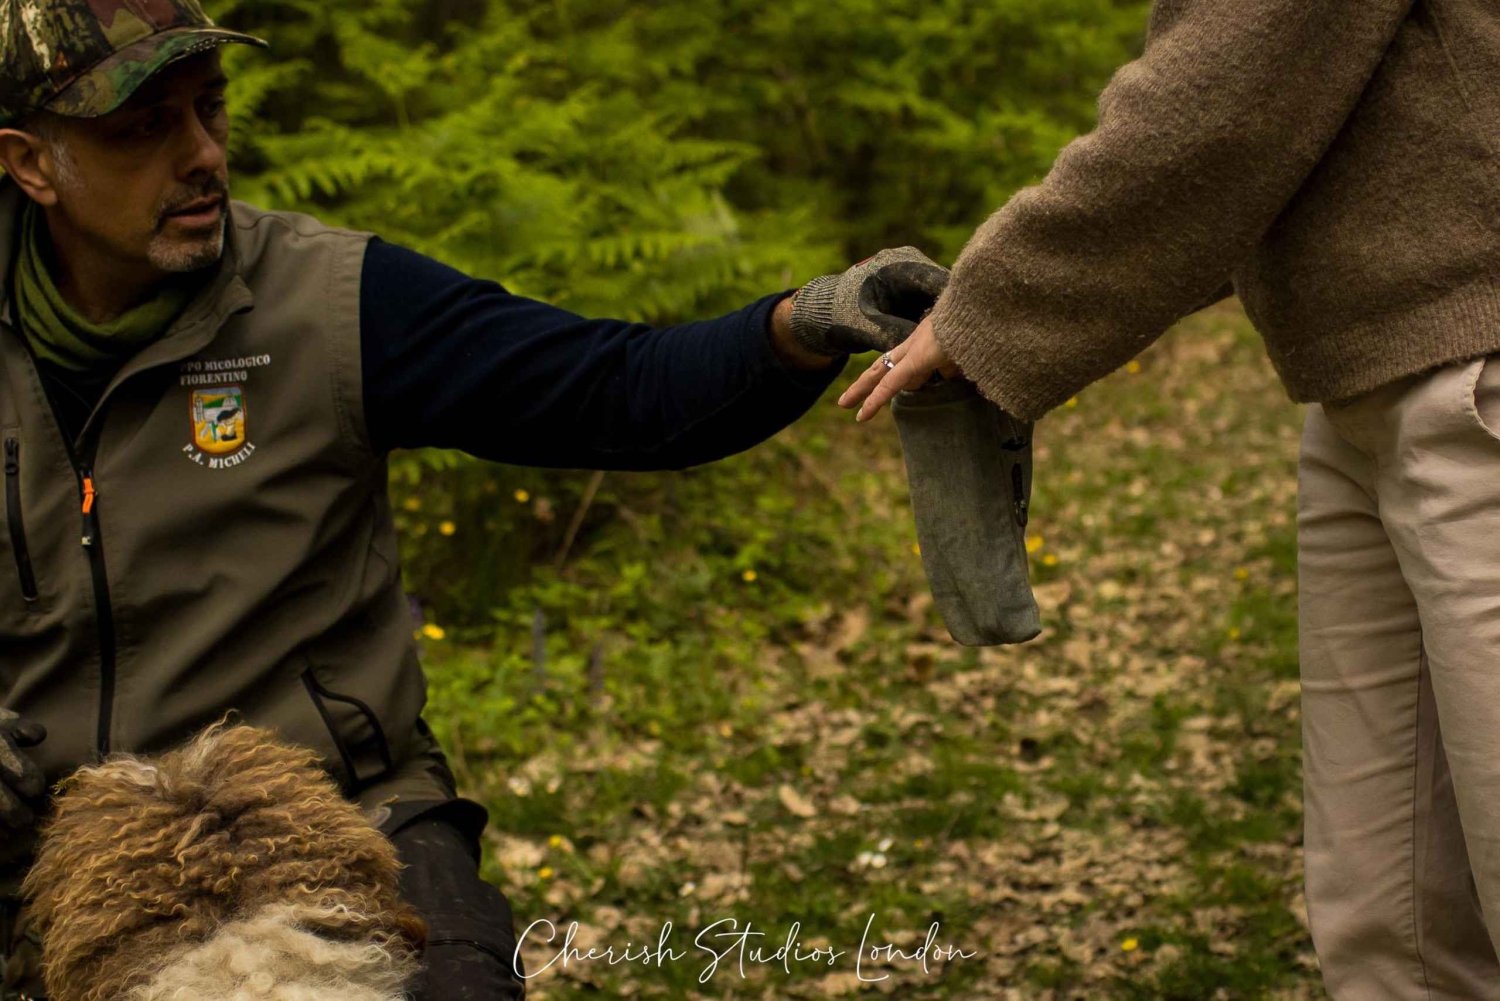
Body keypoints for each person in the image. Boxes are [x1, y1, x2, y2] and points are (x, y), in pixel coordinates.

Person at [0, 1, 948, 997]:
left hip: (332, 810)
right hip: (47, 843)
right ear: (30, 164)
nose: (200, 154)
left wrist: (805, 322)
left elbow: (615, 389)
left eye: (210, 110)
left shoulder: (327, 302)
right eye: (143, 128)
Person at [841, 1, 1500, 997]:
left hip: (1473, 374)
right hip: (1364, 382)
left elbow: (1230, 96)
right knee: (1389, 923)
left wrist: (996, 307)